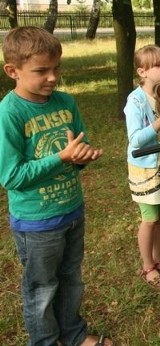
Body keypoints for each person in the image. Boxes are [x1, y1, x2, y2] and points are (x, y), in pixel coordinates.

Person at [0, 26, 112, 346]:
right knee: (41, 288)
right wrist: (61, 158)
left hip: (71, 209)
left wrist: (82, 156)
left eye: (56, 68)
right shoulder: (9, 113)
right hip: (36, 221)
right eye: (41, 71)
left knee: (70, 279)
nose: (52, 77)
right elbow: (11, 176)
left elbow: (78, 148)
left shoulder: (64, 102)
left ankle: (73, 335)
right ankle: (46, 341)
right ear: (13, 71)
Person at [124, 45, 160, 289]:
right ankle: (147, 266)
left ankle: (157, 259)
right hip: (145, 170)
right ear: (142, 72)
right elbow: (135, 141)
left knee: (159, 218)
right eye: (157, 65)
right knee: (149, 219)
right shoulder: (135, 100)